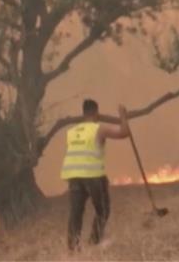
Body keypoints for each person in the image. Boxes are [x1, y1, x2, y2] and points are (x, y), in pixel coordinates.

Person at [60, 99, 130, 251]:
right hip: (93, 176)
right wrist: (123, 116)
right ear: (96, 112)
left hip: (73, 176)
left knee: (76, 213)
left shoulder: (72, 132)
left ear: (83, 112)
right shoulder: (98, 129)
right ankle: (94, 241)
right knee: (103, 209)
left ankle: (73, 249)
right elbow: (124, 133)